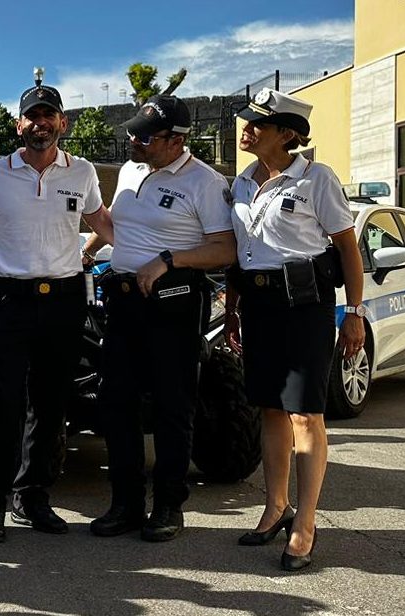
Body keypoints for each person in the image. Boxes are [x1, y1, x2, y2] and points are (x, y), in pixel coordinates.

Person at [81, 96, 236, 542]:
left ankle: (168, 505)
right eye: (132, 130)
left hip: (173, 303)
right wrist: (87, 250)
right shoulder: (131, 170)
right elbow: (121, 225)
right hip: (124, 301)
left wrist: (169, 259)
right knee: (116, 403)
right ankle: (125, 504)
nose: (133, 139)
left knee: (172, 406)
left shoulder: (204, 182)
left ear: (175, 140)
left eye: (144, 135)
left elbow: (224, 248)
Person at [225, 88, 364, 571]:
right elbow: (242, 254)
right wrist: (233, 309)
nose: (246, 128)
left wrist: (355, 312)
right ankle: (275, 507)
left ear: (286, 134)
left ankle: (305, 523)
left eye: (256, 123)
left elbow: (347, 248)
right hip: (259, 306)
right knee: (269, 408)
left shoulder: (315, 178)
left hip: (305, 305)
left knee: (306, 414)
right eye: (246, 119)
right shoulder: (241, 182)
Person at [0, 80, 113, 542]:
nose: (40, 124)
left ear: (62, 123)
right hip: (10, 301)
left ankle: (33, 498)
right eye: (32, 116)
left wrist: (107, 252)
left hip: (64, 301)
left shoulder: (83, 172)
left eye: (48, 115)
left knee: (51, 407)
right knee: (4, 407)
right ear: (19, 125)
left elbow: (102, 223)